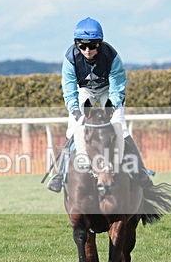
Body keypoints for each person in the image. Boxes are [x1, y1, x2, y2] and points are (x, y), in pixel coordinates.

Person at [46, 17, 153, 193]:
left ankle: (140, 170)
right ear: (77, 44)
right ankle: (59, 174)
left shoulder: (111, 56)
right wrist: (75, 112)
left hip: (108, 92)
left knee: (121, 128)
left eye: (93, 45)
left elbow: (118, 87)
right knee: (73, 129)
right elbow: (69, 88)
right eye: (82, 46)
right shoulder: (70, 57)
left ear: (100, 44)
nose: (87, 50)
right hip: (85, 92)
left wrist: (110, 109)